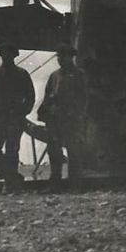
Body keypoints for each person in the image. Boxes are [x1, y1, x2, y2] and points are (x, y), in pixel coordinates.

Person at [0, 43, 35, 190]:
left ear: (14, 55)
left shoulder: (22, 74)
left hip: (14, 117)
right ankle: (12, 177)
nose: (6, 56)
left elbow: (30, 95)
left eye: (9, 53)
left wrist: (22, 112)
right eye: (4, 53)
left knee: (12, 150)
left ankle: (10, 183)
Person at [38, 43, 87, 189]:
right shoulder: (54, 76)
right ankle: (55, 183)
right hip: (55, 118)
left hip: (72, 119)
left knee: (74, 151)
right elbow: (47, 97)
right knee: (54, 151)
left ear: (70, 57)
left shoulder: (79, 75)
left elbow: (83, 98)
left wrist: (76, 115)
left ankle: (75, 184)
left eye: (63, 56)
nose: (60, 59)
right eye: (58, 56)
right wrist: (45, 114)